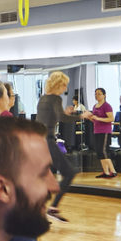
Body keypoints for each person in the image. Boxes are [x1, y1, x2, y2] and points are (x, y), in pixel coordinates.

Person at [35, 71, 82, 221]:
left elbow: (53, 116)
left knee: (43, 178)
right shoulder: (56, 98)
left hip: (38, 142)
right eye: (65, 85)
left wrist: (64, 113)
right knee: (69, 172)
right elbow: (61, 118)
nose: (65, 88)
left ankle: (38, 211)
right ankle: (53, 208)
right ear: (59, 84)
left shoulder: (43, 99)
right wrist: (81, 116)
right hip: (47, 141)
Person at [88, 86, 118, 178]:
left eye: (99, 94)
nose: (97, 96)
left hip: (105, 131)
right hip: (97, 131)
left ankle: (113, 171)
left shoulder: (107, 106)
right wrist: (90, 117)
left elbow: (111, 119)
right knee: (99, 152)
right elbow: (95, 120)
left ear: (104, 95)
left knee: (103, 151)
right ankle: (106, 172)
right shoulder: (94, 106)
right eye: (95, 94)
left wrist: (98, 118)